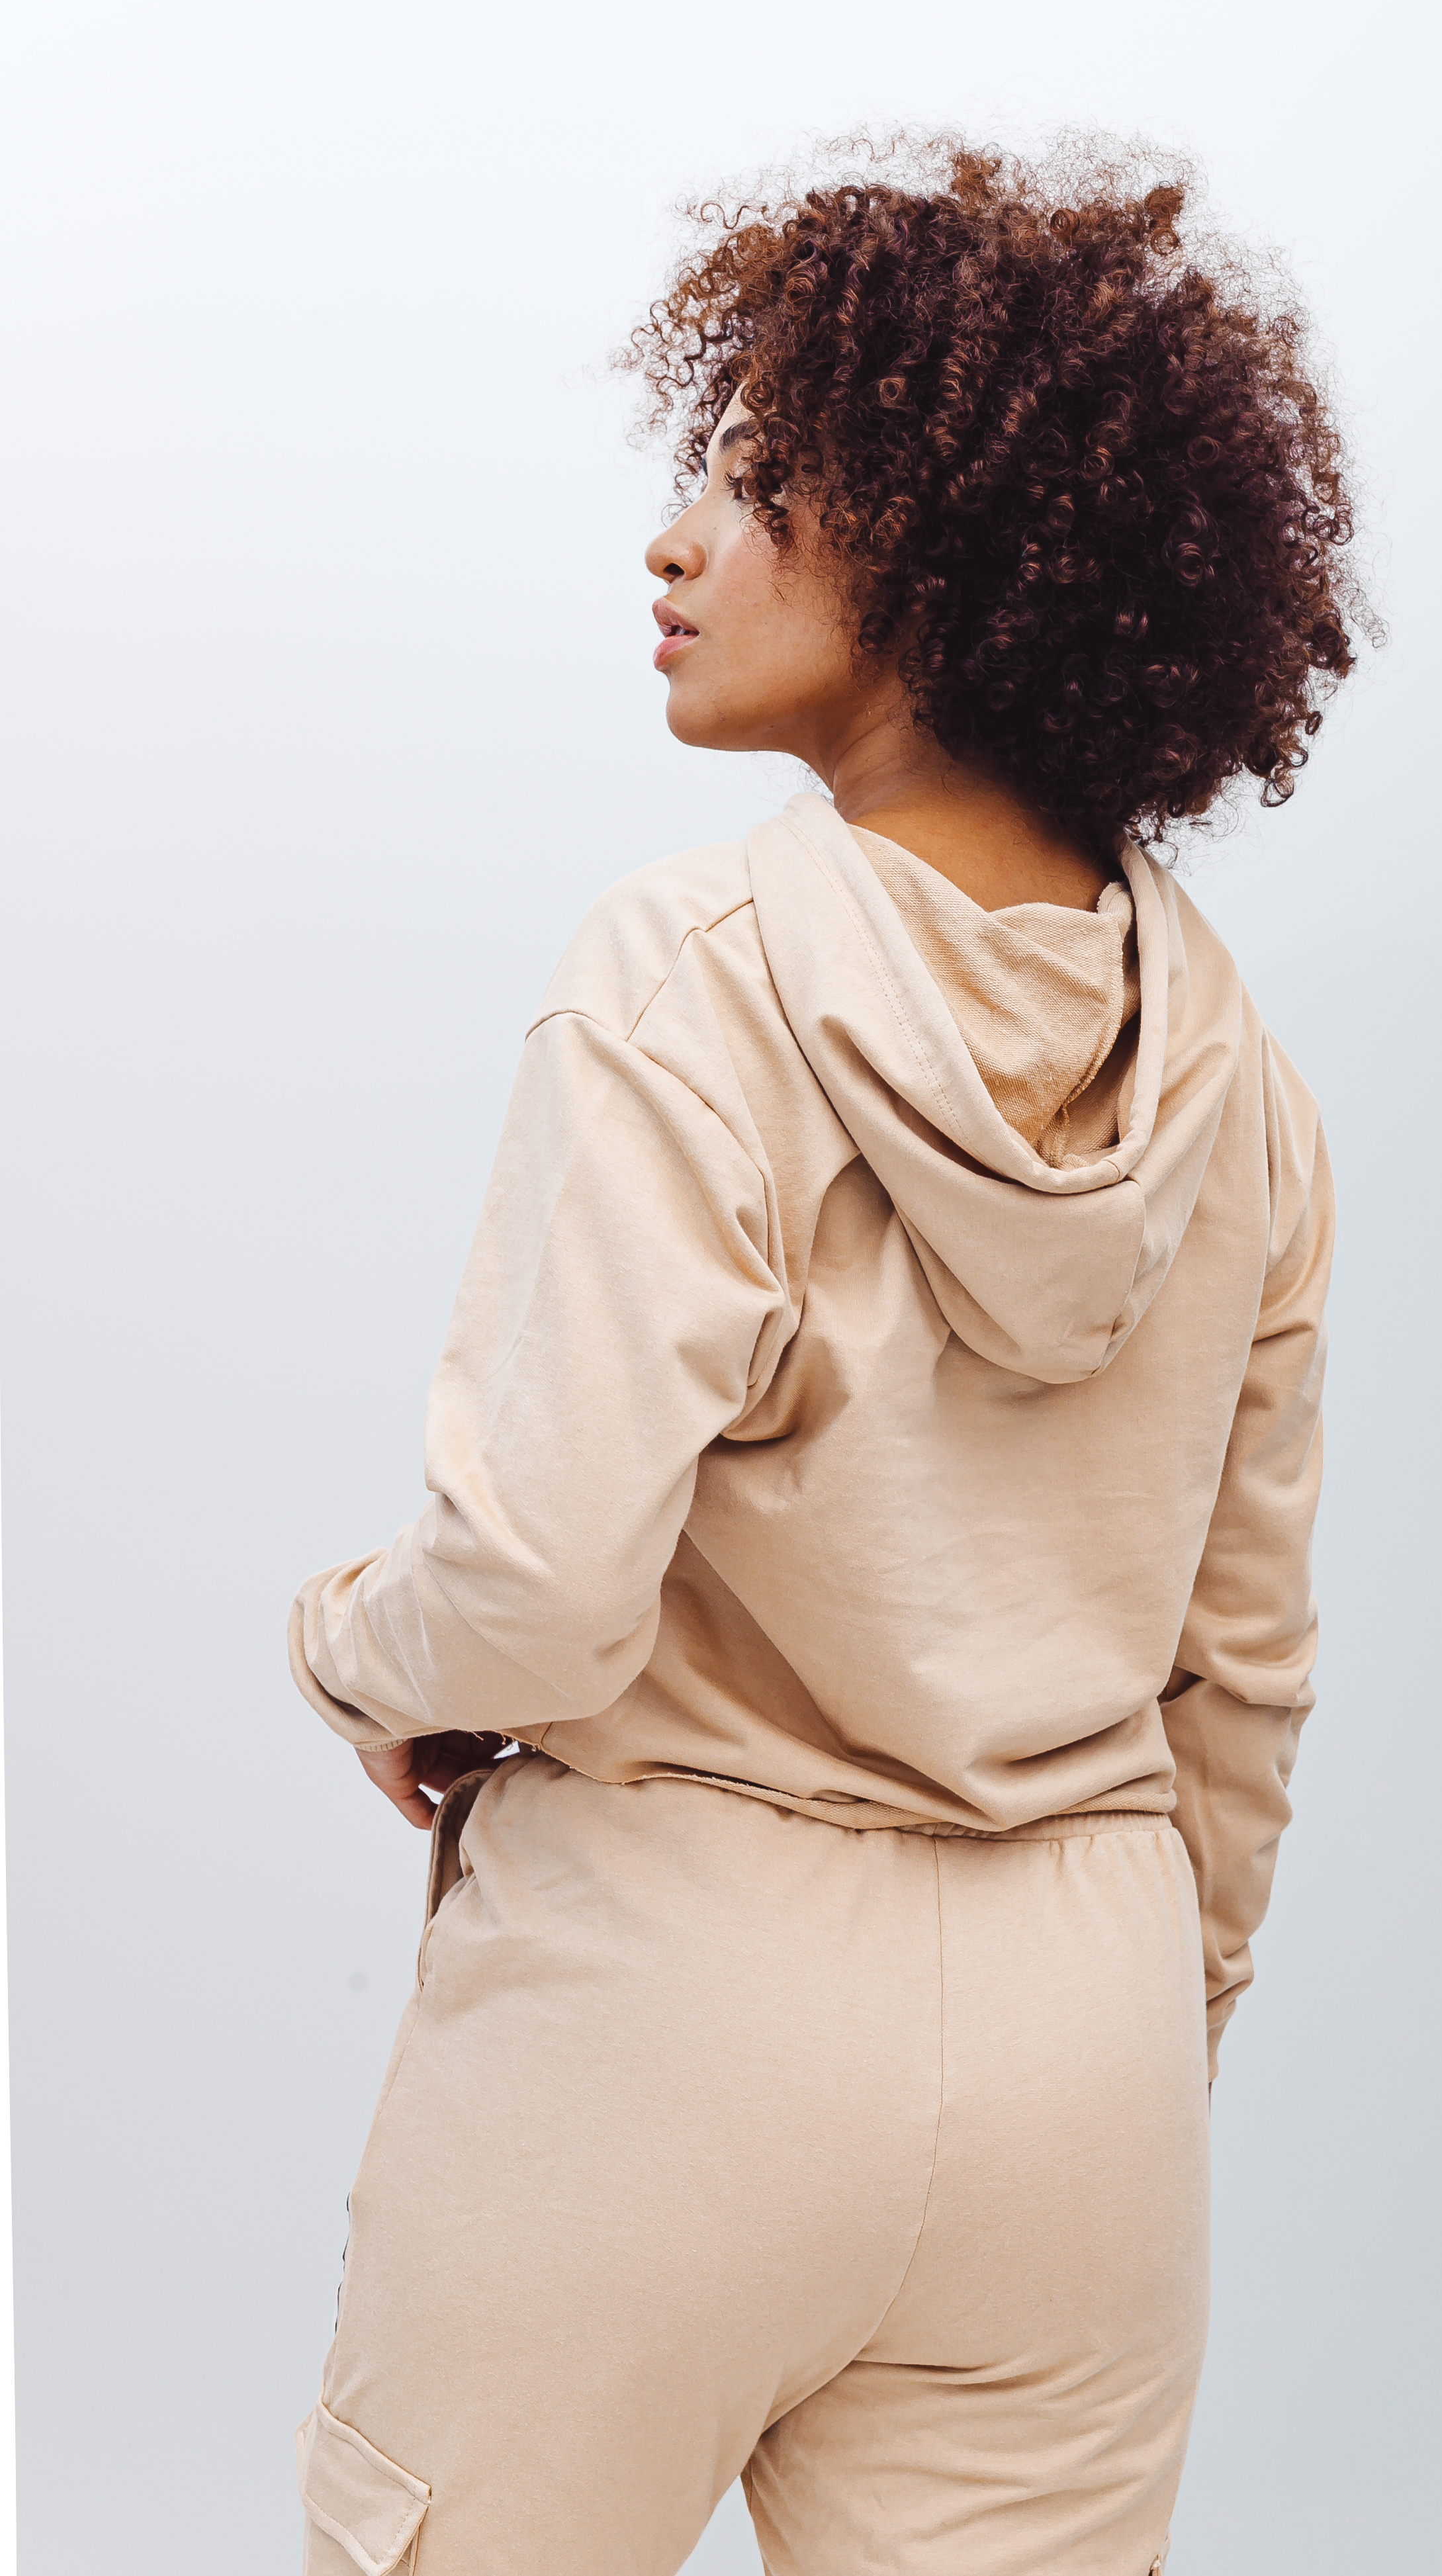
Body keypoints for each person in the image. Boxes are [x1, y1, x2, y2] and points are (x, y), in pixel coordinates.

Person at [289, 136, 1359, 2576]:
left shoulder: (692, 977)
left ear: (950, 554)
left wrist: (347, 1648)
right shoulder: (1247, 1094)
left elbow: (534, 1588)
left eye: (755, 483)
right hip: (1088, 2054)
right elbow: (1242, 1680)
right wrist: (1133, 2033)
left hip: (664, 2012)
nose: (671, 543)